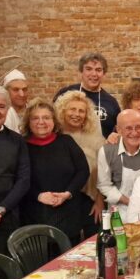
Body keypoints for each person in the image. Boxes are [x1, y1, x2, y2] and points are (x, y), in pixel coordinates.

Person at [20, 98, 89, 245]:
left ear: (54, 120)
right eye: (35, 118)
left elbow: (83, 170)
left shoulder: (66, 142)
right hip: (35, 214)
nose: (41, 122)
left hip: (68, 213)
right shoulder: (21, 146)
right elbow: (17, 179)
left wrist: (67, 193)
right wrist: (38, 196)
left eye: (46, 117)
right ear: (28, 122)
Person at [55, 90, 105, 236]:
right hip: (63, 201)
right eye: (72, 109)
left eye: (81, 111)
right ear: (63, 111)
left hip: (90, 200)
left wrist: (100, 201)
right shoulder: (55, 138)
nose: (76, 114)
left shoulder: (97, 140)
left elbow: (104, 173)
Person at [98, 110, 140, 221]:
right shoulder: (107, 151)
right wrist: (131, 202)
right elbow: (104, 185)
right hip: (120, 213)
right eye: (129, 128)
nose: (134, 133)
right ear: (119, 130)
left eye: (138, 127)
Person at [0, 86, 30, 256]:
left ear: (8, 109)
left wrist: (0, 210)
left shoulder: (17, 141)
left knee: (4, 276)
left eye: (1, 106)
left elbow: (23, 180)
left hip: (6, 217)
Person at [54, 52, 121, 138]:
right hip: (66, 149)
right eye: (89, 69)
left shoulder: (111, 102)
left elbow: (118, 130)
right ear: (81, 71)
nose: (94, 74)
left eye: (98, 70)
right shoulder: (65, 94)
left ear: (104, 74)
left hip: (99, 150)